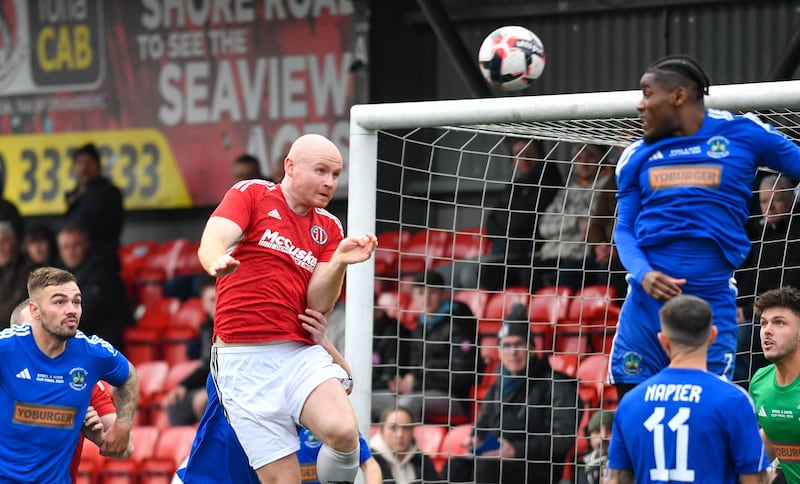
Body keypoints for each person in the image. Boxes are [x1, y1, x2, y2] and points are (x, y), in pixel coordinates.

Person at [609, 54, 800, 399]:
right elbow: (623, 229)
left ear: (678, 96)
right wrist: (644, 273)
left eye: (647, 93)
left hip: (710, 304)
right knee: (635, 414)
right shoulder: (635, 155)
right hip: (645, 308)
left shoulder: (743, 134)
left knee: (704, 415)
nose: (640, 105)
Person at [197, 133, 378, 483]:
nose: (329, 182)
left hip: (297, 354)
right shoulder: (252, 193)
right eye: (321, 171)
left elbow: (318, 304)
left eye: (336, 174)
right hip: (242, 363)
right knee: (284, 480)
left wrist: (339, 261)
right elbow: (213, 237)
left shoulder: (328, 227)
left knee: (343, 432)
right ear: (290, 167)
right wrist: (215, 259)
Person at [174, 308, 382, 484]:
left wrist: (322, 341)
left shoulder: (300, 380)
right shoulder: (232, 365)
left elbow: (346, 382)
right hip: (207, 476)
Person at [606, 295, 770, 483]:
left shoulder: (630, 402)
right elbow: (755, 478)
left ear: (663, 341)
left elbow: (616, 479)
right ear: (713, 336)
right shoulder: (733, 400)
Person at [0, 267, 138, 482]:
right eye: (59, 302)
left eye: (76, 301)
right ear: (35, 312)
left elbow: (125, 448)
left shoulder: (86, 371)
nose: (71, 310)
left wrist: (114, 430)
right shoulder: (7, 350)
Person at [450, 308, 578, 484]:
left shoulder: (557, 384)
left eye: (519, 344)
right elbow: (484, 420)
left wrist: (517, 450)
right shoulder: (498, 384)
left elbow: (562, 439)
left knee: (488, 466)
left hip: (536, 467)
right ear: (500, 352)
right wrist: (475, 437)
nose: (512, 352)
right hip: (498, 455)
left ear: (532, 348)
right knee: (456, 467)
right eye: (506, 346)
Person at [386, 270, 481, 423]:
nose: (426, 298)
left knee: (407, 404)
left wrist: (415, 383)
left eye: (432, 292)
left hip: (453, 397)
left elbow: (461, 378)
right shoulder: (420, 326)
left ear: (443, 293)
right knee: (373, 399)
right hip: (418, 391)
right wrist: (404, 380)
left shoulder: (460, 323)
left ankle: (409, 447)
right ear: (413, 297)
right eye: (421, 293)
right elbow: (414, 366)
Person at [735, 175, 800, 382]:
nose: (769, 206)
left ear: (792, 200)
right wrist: (736, 307)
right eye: (764, 201)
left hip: (784, 311)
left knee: (743, 337)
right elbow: (750, 279)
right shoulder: (763, 235)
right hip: (755, 312)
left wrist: (746, 311)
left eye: (777, 199)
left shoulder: (796, 232)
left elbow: (790, 283)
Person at [482, 138, 563, 290]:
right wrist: (510, 223)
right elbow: (491, 224)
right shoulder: (514, 186)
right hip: (505, 251)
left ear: (540, 156)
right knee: (455, 271)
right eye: (518, 154)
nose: (524, 158)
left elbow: (523, 222)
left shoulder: (549, 183)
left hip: (528, 253)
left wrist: (507, 222)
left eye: (529, 153)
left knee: (475, 272)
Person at [534, 144, 614, 291]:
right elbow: (544, 226)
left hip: (580, 253)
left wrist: (567, 224)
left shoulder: (607, 185)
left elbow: (594, 225)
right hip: (552, 253)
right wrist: (576, 223)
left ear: (600, 160)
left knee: (568, 273)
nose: (583, 163)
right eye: (579, 158)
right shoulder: (567, 190)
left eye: (589, 158)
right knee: (526, 270)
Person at [749, 286, 800, 484]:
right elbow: (772, 434)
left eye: (779, 323)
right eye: (763, 324)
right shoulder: (760, 381)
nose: (767, 331)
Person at [57, 224, 134, 350]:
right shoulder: (61, 272)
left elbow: (87, 313)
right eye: (66, 247)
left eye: (76, 246)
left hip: (105, 344)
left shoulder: (103, 271)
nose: (71, 252)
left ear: (87, 245)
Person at [62, 143, 124, 270]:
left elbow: (85, 224)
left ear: (98, 167)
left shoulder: (108, 193)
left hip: (100, 262)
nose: (84, 167)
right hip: (78, 260)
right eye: (79, 163)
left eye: (89, 162)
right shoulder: (74, 196)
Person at [164, 276, 215, 426]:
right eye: (212, 300)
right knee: (176, 404)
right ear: (204, 305)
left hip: (230, 389)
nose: (218, 304)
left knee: (205, 401)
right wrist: (183, 386)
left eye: (220, 298)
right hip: (212, 385)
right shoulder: (208, 329)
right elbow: (207, 367)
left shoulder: (234, 326)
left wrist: (214, 392)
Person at [369, 406, 442, 483]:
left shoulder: (422, 461)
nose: (400, 434)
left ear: (412, 431)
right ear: (381, 430)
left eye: (406, 428)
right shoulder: (369, 461)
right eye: (393, 428)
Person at [370, 295, 412, 423]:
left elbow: (390, 379)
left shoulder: (395, 332)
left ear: (376, 307)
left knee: (355, 400)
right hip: (375, 389)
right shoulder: (363, 330)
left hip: (392, 393)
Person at [0, 221, 38, 326]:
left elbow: (18, 309)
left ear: (15, 242)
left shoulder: (30, 270)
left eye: (4, 241)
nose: (0, 247)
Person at [576, 410, 615, 484]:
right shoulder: (584, 467)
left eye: (609, 430)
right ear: (590, 437)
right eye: (597, 431)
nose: (603, 437)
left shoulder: (629, 464)